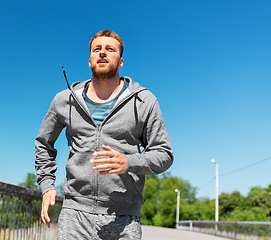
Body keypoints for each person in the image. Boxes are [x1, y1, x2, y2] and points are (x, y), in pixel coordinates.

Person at [35, 30, 173, 239]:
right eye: (96, 49)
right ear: (89, 60)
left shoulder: (144, 101)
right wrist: (47, 185)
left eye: (110, 49)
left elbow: (164, 154)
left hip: (124, 217)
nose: (102, 53)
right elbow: (44, 144)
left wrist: (129, 162)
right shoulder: (64, 100)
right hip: (75, 214)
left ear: (121, 61)